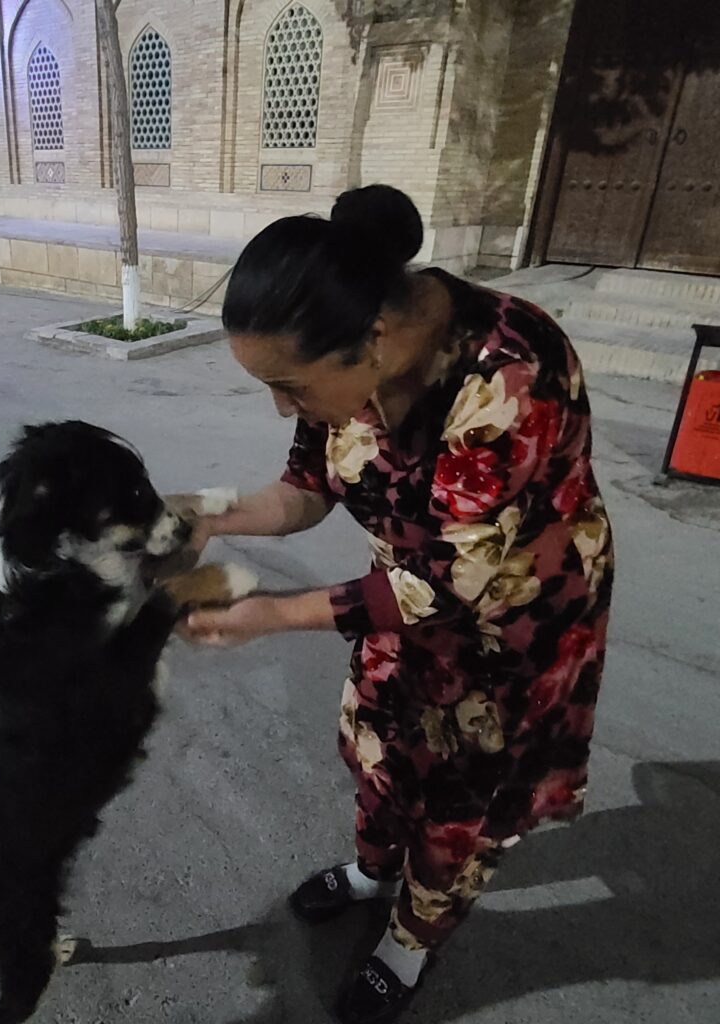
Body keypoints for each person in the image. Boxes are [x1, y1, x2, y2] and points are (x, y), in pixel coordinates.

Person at [181, 185, 614, 1024]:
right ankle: (377, 872)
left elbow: (450, 585)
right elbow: (305, 491)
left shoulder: (509, 376)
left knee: (459, 800)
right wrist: (206, 512)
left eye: (288, 386)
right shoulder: (338, 347)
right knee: (379, 744)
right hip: (398, 597)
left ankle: (411, 940)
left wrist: (269, 613)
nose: (283, 406)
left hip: (512, 621)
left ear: (372, 340)